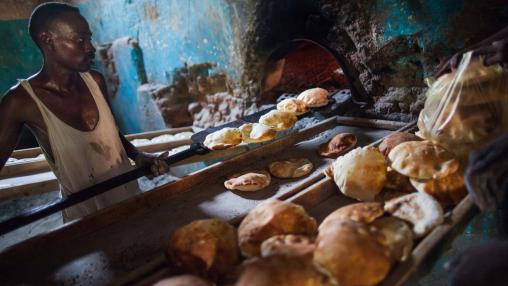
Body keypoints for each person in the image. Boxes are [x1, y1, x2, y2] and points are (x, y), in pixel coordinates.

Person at [0, 2, 169, 222]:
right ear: (47, 39)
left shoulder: (95, 81)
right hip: (84, 219)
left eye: (89, 38)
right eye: (80, 39)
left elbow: (111, 134)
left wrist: (137, 156)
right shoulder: (21, 101)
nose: (90, 47)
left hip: (129, 199)